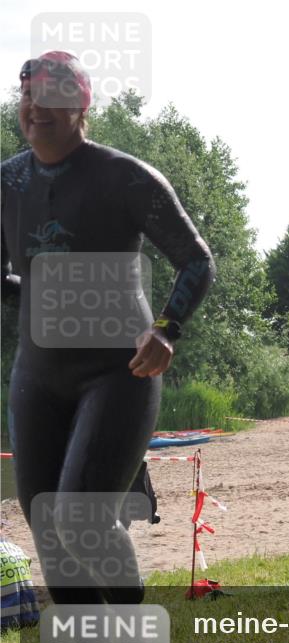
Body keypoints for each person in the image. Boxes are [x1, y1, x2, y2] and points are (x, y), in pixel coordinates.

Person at [2, 52, 215, 604]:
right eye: (27, 96)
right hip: (38, 373)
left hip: (119, 370)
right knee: (45, 521)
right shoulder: (9, 181)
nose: (35, 107)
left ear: (80, 105)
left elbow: (196, 259)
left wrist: (167, 329)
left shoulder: (124, 176)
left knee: (81, 519)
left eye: (51, 96)